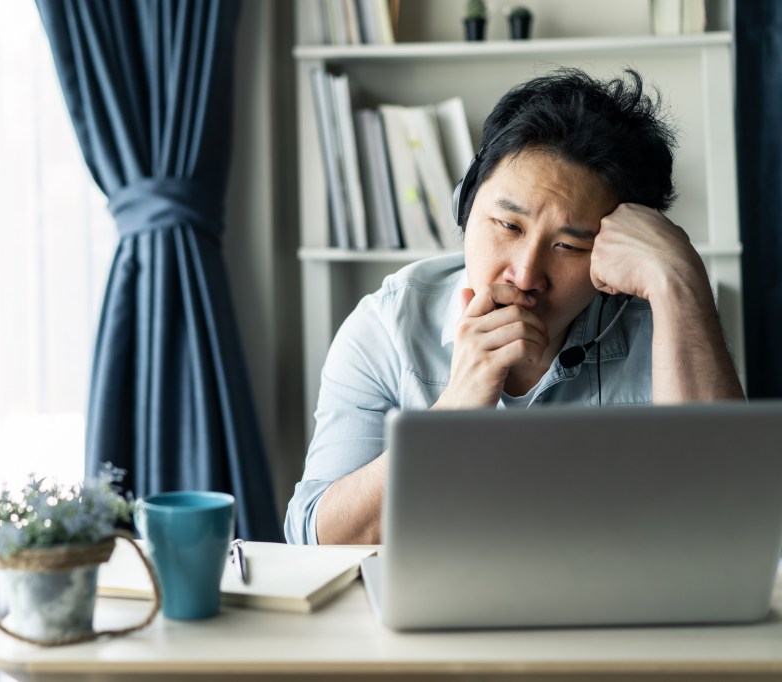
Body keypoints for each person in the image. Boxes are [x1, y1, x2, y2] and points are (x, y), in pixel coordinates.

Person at [285, 68, 745, 546]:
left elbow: (735, 523)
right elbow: (314, 539)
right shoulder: (385, 327)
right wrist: (452, 415)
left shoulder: (665, 318)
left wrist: (681, 279)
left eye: (568, 246)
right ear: (467, 203)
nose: (525, 275)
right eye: (508, 225)